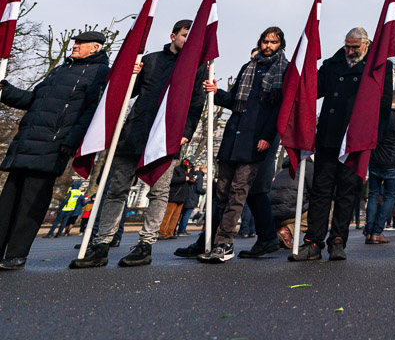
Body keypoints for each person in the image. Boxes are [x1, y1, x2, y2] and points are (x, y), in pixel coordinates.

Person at [72, 21, 206, 268]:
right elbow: (127, 93)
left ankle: (145, 245)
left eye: (192, 37)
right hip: (134, 132)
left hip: (165, 137)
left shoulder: (197, 68)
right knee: (117, 189)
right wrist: (129, 74)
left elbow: (196, 104)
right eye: (185, 36)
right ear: (173, 35)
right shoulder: (151, 60)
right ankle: (102, 243)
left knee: (159, 191)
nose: (188, 41)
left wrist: (186, 132)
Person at [0, 30, 108, 271]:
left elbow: (91, 110)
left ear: (95, 48)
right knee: (6, 203)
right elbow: (33, 100)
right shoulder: (60, 69)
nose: (75, 46)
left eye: (81, 43)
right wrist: (4, 90)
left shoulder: (99, 73)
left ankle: (16, 255)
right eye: (75, 42)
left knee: (31, 204)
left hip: (52, 145)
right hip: (26, 142)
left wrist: (71, 140)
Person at [290, 28, 388, 262]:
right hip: (329, 136)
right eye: (348, 46)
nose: (351, 51)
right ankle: (313, 241)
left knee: (347, 192)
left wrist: (377, 139)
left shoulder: (378, 66)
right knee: (321, 191)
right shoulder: (333, 64)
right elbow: (315, 91)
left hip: (356, 139)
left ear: (366, 44)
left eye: (355, 47)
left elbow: (382, 107)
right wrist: (303, 72)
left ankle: (337, 241)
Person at [195, 27, 288, 263]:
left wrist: (267, 136)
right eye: (265, 41)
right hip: (233, 139)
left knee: (238, 192)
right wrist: (217, 92)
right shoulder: (249, 67)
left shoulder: (283, 71)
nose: (268, 46)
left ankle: (224, 242)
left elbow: (278, 109)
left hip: (255, 142)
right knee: (223, 192)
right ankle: (215, 240)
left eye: (273, 42)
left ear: (280, 45)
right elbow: (234, 99)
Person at [364, 90, 395, 245]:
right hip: (392, 161)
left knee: (373, 196)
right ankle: (377, 231)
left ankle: (369, 231)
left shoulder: (376, 117)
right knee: (390, 196)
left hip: (375, 160)